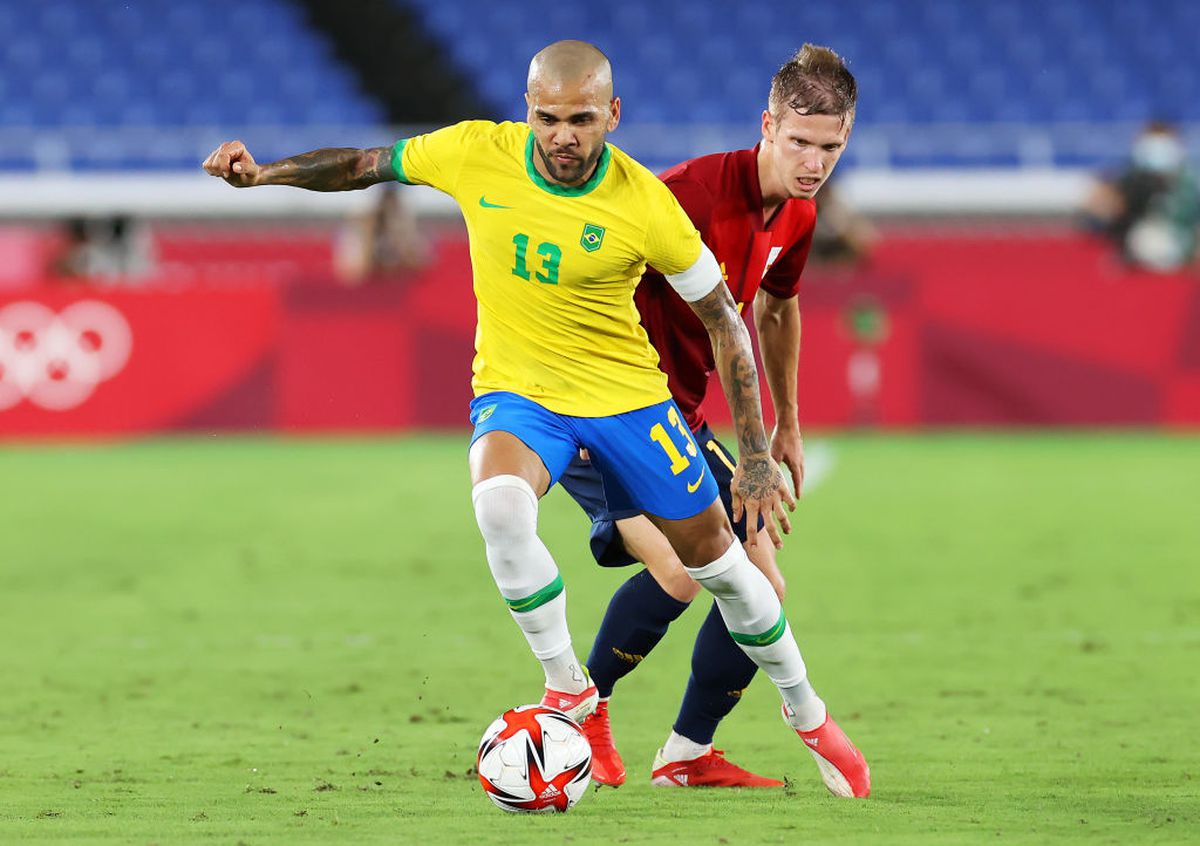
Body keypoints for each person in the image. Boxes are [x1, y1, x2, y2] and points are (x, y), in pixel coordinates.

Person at [203, 39, 868, 799]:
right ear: (527, 111)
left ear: (612, 116)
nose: (562, 135)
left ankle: (805, 714)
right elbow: (362, 166)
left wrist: (762, 446)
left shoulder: (646, 200)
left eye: (581, 119)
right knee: (500, 507)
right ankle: (571, 692)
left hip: (631, 401)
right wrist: (265, 174)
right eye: (547, 118)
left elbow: (733, 319)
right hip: (521, 395)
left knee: (721, 569)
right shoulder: (480, 153)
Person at [558, 45, 866, 792]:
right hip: (596, 408)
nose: (813, 161)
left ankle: (685, 753)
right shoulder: (689, 194)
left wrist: (787, 421)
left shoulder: (799, 212)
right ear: (767, 125)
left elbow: (778, 305)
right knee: (679, 572)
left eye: (830, 146)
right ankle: (572, 719)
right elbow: (589, 278)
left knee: (764, 589)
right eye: (798, 141)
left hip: (676, 420)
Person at [1081, 121, 1199, 272]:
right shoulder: (1133, 173)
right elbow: (1102, 203)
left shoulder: (1188, 176)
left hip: (1184, 237)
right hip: (1147, 237)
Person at [334, 182, 430, 284]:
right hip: (370, 286)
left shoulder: (405, 227)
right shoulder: (357, 232)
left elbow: (418, 266)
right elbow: (354, 275)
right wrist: (368, 235)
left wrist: (401, 236)